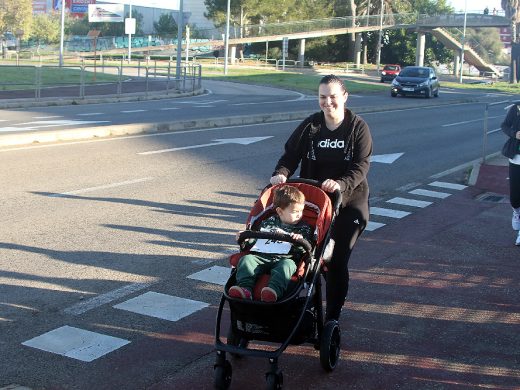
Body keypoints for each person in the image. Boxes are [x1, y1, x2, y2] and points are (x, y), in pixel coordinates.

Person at [270, 74, 372, 321]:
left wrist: (340, 184)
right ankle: (304, 302)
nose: (328, 102)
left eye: (333, 97)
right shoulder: (311, 126)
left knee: (335, 261)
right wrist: (281, 174)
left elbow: (361, 165)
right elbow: (290, 155)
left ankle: (332, 317)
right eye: (322, 97)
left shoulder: (358, 127)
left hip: (348, 204)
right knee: (305, 254)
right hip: (315, 202)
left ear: (344, 97)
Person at [229, 185, 313, 302]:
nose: (299, 214)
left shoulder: (303, 228)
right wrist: (246, 237)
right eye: (295, 211)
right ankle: (245, 289)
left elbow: (306, 249)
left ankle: (272, 291)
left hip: (285, 258)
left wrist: (299, 240)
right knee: (247, 260)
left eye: (301, 211)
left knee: (286, 266)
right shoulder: (269, 222)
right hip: (261, 256)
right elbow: (257, 238)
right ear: (279, 211)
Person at [500, 103, 520, 246]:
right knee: (515, 196)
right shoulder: (516, 108)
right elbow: (504, 125)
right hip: (516, 159)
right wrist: (515, 134)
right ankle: (516, 212)